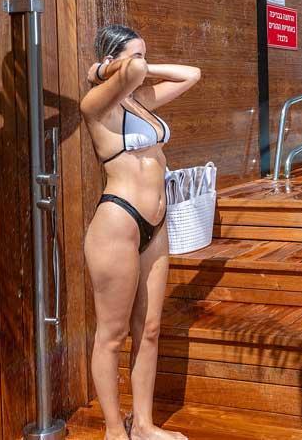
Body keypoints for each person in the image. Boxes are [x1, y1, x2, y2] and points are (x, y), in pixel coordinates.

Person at [81, 24, 200, 440]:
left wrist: (132, 65)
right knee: (112, 335)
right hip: (118, 222)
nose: (144, 64)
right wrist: (105, 73)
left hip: (156, 223)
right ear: (112, 61)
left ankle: (145, 425)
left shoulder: (140, 101)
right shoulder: (97, 105)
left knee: (149, 329)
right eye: (137, 55)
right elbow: (130, 73)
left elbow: (191, 74)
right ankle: (115, 431)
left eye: (145, 55)